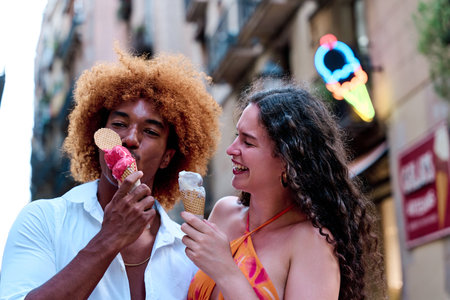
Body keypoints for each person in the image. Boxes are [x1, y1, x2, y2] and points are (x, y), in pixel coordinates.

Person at [0, 48, 221, 300]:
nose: (130, 138)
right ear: (98, 137)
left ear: (167, 158)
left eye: (150, 131)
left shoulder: (188, 250)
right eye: (118, 124)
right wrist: (109, 238)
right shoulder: (43, 220)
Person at [181, 81, 383, 300]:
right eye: (236, 137)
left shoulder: (312, 243)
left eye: (248, 143)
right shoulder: (224, 212)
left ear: (288, 160)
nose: (231, 150)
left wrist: (226, 271)